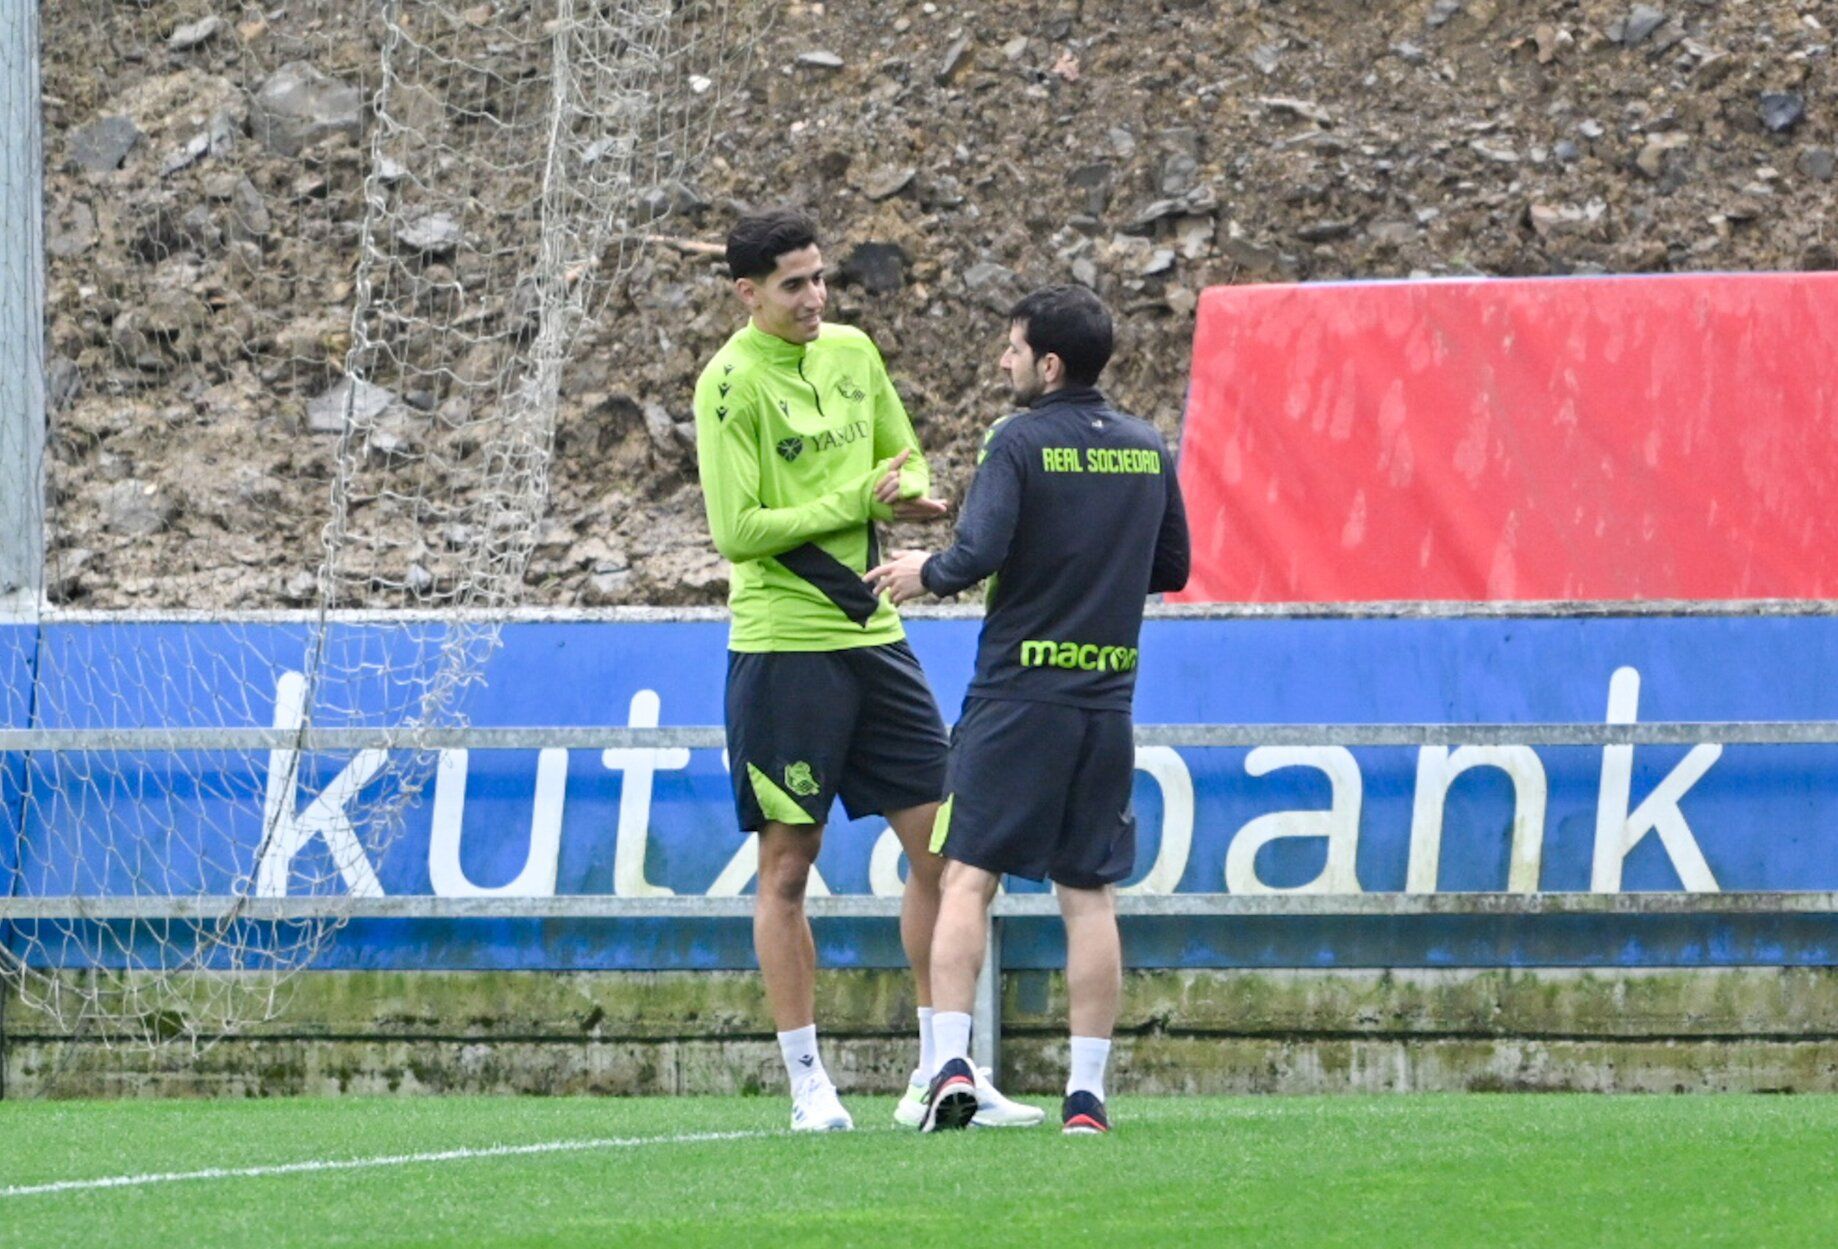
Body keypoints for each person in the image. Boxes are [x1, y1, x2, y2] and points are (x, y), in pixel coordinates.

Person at [693, 208, 1038, 1131]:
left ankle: (941, 1068)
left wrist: (909, 492)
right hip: (783, 648)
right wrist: (857, 498)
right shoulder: (727, 384)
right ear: (748, 293)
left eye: (820, 278)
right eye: (794, 285)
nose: (816, 297)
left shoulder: (852, 351)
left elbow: (902, 455)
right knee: (787, 866)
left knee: (944, 851)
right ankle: (808, 1084)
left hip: (874, 634)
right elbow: (737, 530)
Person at [865, 285, 1190, 1135]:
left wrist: (924, 572)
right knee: (1089, 892)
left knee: (967, 876)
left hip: (1016, 697)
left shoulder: (1016, 440)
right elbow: (1173, 566)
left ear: (1048, 364)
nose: (1003, 361)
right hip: (1105, 701)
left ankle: (948, 1065)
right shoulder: (1147, 445)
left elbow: (980, 550)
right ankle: (1087, 1096)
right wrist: (1096, 566)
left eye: (1012, 348)